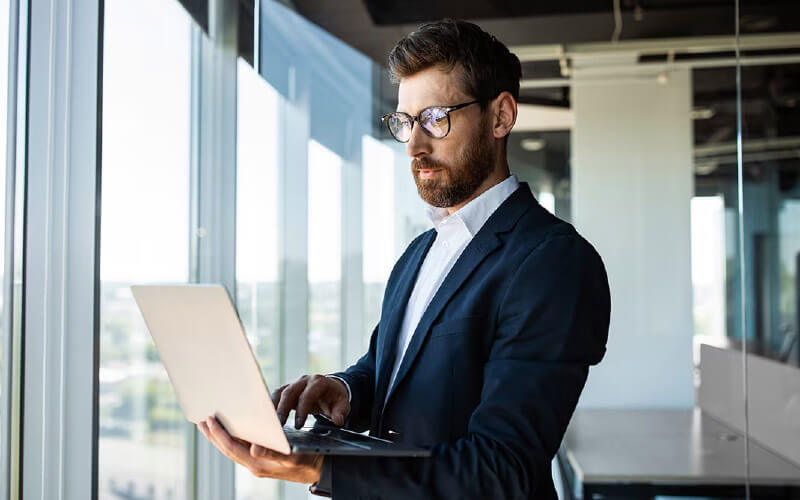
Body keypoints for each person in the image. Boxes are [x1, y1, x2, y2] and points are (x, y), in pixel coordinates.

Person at [197, 18, 611, 499]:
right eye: (405, 122)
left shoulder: (552, 261)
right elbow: (393, 367)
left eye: (437, 117)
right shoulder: (421, 251)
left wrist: (318, 469)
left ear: (501, 116)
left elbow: (503, 471)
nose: (414, 145)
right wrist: (347, 390)